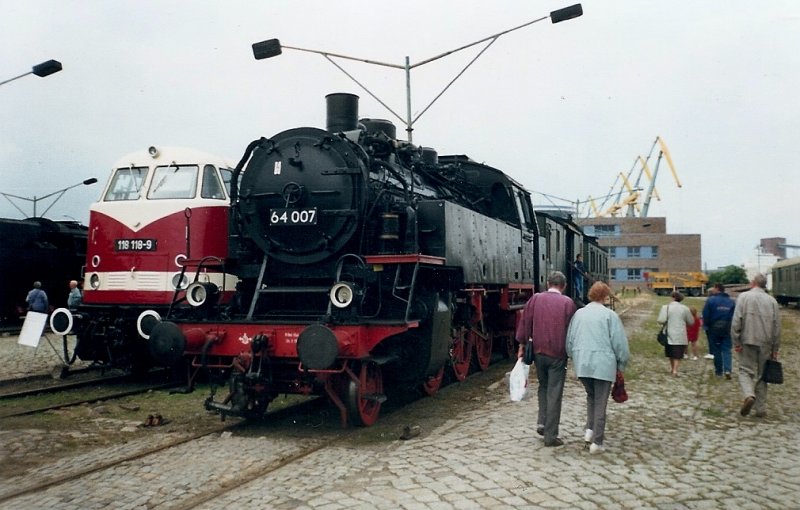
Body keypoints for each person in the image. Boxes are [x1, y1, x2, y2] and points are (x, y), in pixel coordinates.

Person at [566, 281, 629, 455]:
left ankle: (589, 431)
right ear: (605, 296)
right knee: (601, 401)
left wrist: (574, 357)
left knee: (591, 397)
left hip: (582, 363)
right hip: (603, 363)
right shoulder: (610, 316)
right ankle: (597, 442)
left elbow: (570, 340)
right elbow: (619, 344)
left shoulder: (579, 314)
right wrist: (622, 363)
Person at [515, 271, 577, 447]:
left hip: (538, 352)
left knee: (543, 386)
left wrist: (522, 345)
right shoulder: (568, 303)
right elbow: (571, 330)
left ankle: (542, 422)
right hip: (557, 354)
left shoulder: (535, 299)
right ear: (563, 286)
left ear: (547, 283)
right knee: (554, 391)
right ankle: (550, 436)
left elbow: (525, 322)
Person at [731, 273, 780, 417]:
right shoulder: (772, 301)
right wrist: (775, 348)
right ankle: (761, 408)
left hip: (747, 339)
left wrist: (736, 341)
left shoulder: (743, 297)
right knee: (762, 374)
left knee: (745, 370)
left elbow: (736, 321)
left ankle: (749, 395)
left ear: (753, 283)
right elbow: (777, 327)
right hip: (766, 341)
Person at [657, 291, 694, 377]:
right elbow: (691, 321)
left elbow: (661, 320)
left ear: (673, 297)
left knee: (671, 352)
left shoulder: (666, 307)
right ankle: (675, 370)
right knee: (678, 353)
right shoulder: (685, 308)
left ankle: (673, 368)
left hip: (669, 332)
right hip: (680, 333)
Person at [702, 283, 735, 378]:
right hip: (727, 328)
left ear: (717, 289)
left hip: (714, 328)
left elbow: (706, 314)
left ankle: (719, 371)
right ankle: (728, 370)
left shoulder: (710, 300)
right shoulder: (731, 302)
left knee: (716, 350)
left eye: (713, 288)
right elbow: (734, 316)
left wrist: (706, 326)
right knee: (727, 349)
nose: (712, 290)